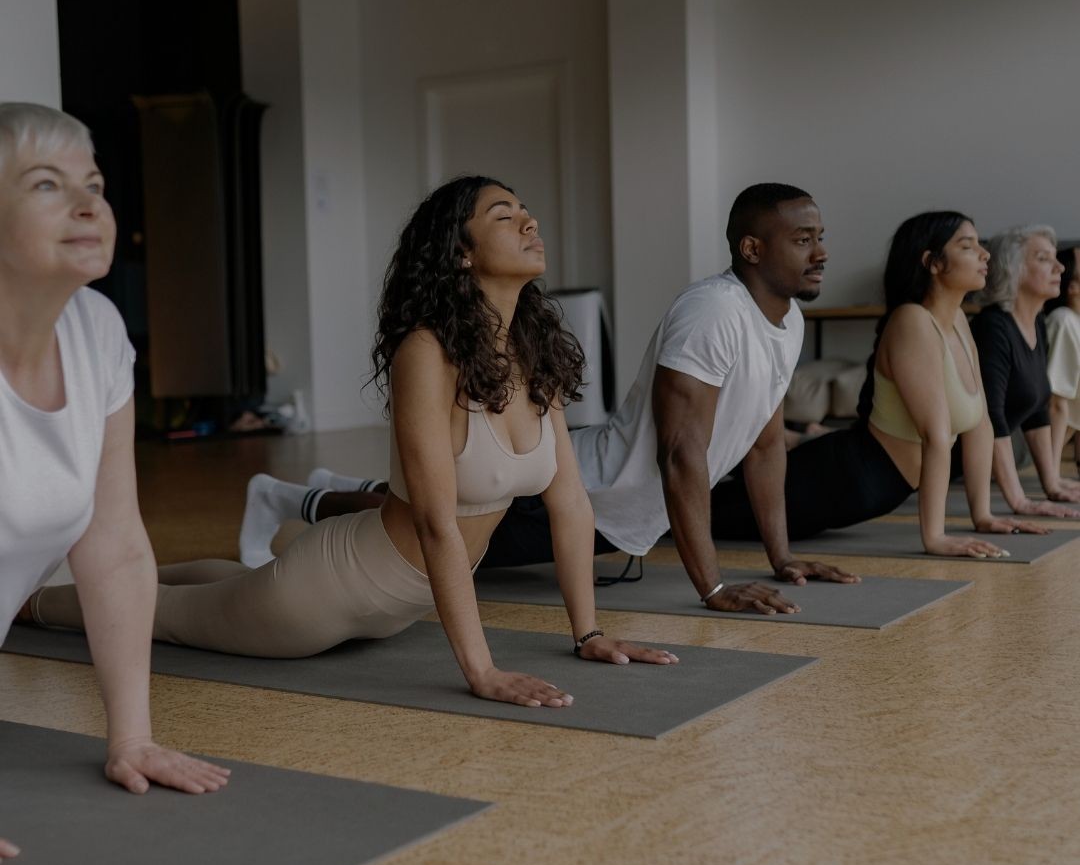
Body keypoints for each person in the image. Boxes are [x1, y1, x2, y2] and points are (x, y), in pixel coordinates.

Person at [28, 177, 675, 707]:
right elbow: (435, 522)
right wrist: (482, 671)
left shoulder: (532, 353)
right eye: (505, 216)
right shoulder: (426, 353)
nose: (530, 222)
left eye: (526, 211)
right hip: (322, 597)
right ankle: (25, 602)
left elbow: (571, 504)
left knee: (223, 586)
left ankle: (113, 572)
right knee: (159, 614)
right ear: (462, 253)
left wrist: (587, 633)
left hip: (390, 609)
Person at [240, 183, 857, 615]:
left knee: (433, 506)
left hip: (611, 509)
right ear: (752, 249)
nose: (821, 252)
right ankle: (287, 499)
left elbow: (765, 444)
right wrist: (713, 588)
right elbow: (680, 455)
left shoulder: (787, 323)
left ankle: (319, 488)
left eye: (819, 237)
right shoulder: (713, 313)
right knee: (416, 532)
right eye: (803, 239)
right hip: (581, 492)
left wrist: (782, 557)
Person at [0, 102, 230, 863]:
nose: (88, 203)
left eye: (94, 183)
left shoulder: (95, 331)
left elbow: (115, 545)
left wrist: (132, 738)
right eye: (46, 184)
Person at [710, 211, 1048, 555]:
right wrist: (935, 538)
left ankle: (781, 440)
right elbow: (935, 434)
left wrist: (983, 515)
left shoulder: (959, 320)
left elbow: (980, 423)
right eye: (967, 246)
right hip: (838, 481)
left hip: (869, 489)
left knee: (712, 500)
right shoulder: (912, 321)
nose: (985, 254)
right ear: (932, 262)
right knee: (700, 512)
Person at [969, 226, 1080, 516]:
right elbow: (989, 416)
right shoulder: (993, 327)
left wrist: (1052, 483)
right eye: (1043, 259)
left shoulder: (1037, 322)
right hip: (939, 468)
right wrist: (1019, 501)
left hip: (981, 465)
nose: (1059, 267)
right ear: (1013, 270)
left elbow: (1036, 409)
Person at [1045, 246, 1080, 477]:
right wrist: (1052, 478)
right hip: (1030, 449)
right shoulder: (1063, 321)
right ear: (1072, 287)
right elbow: (1055, 403)